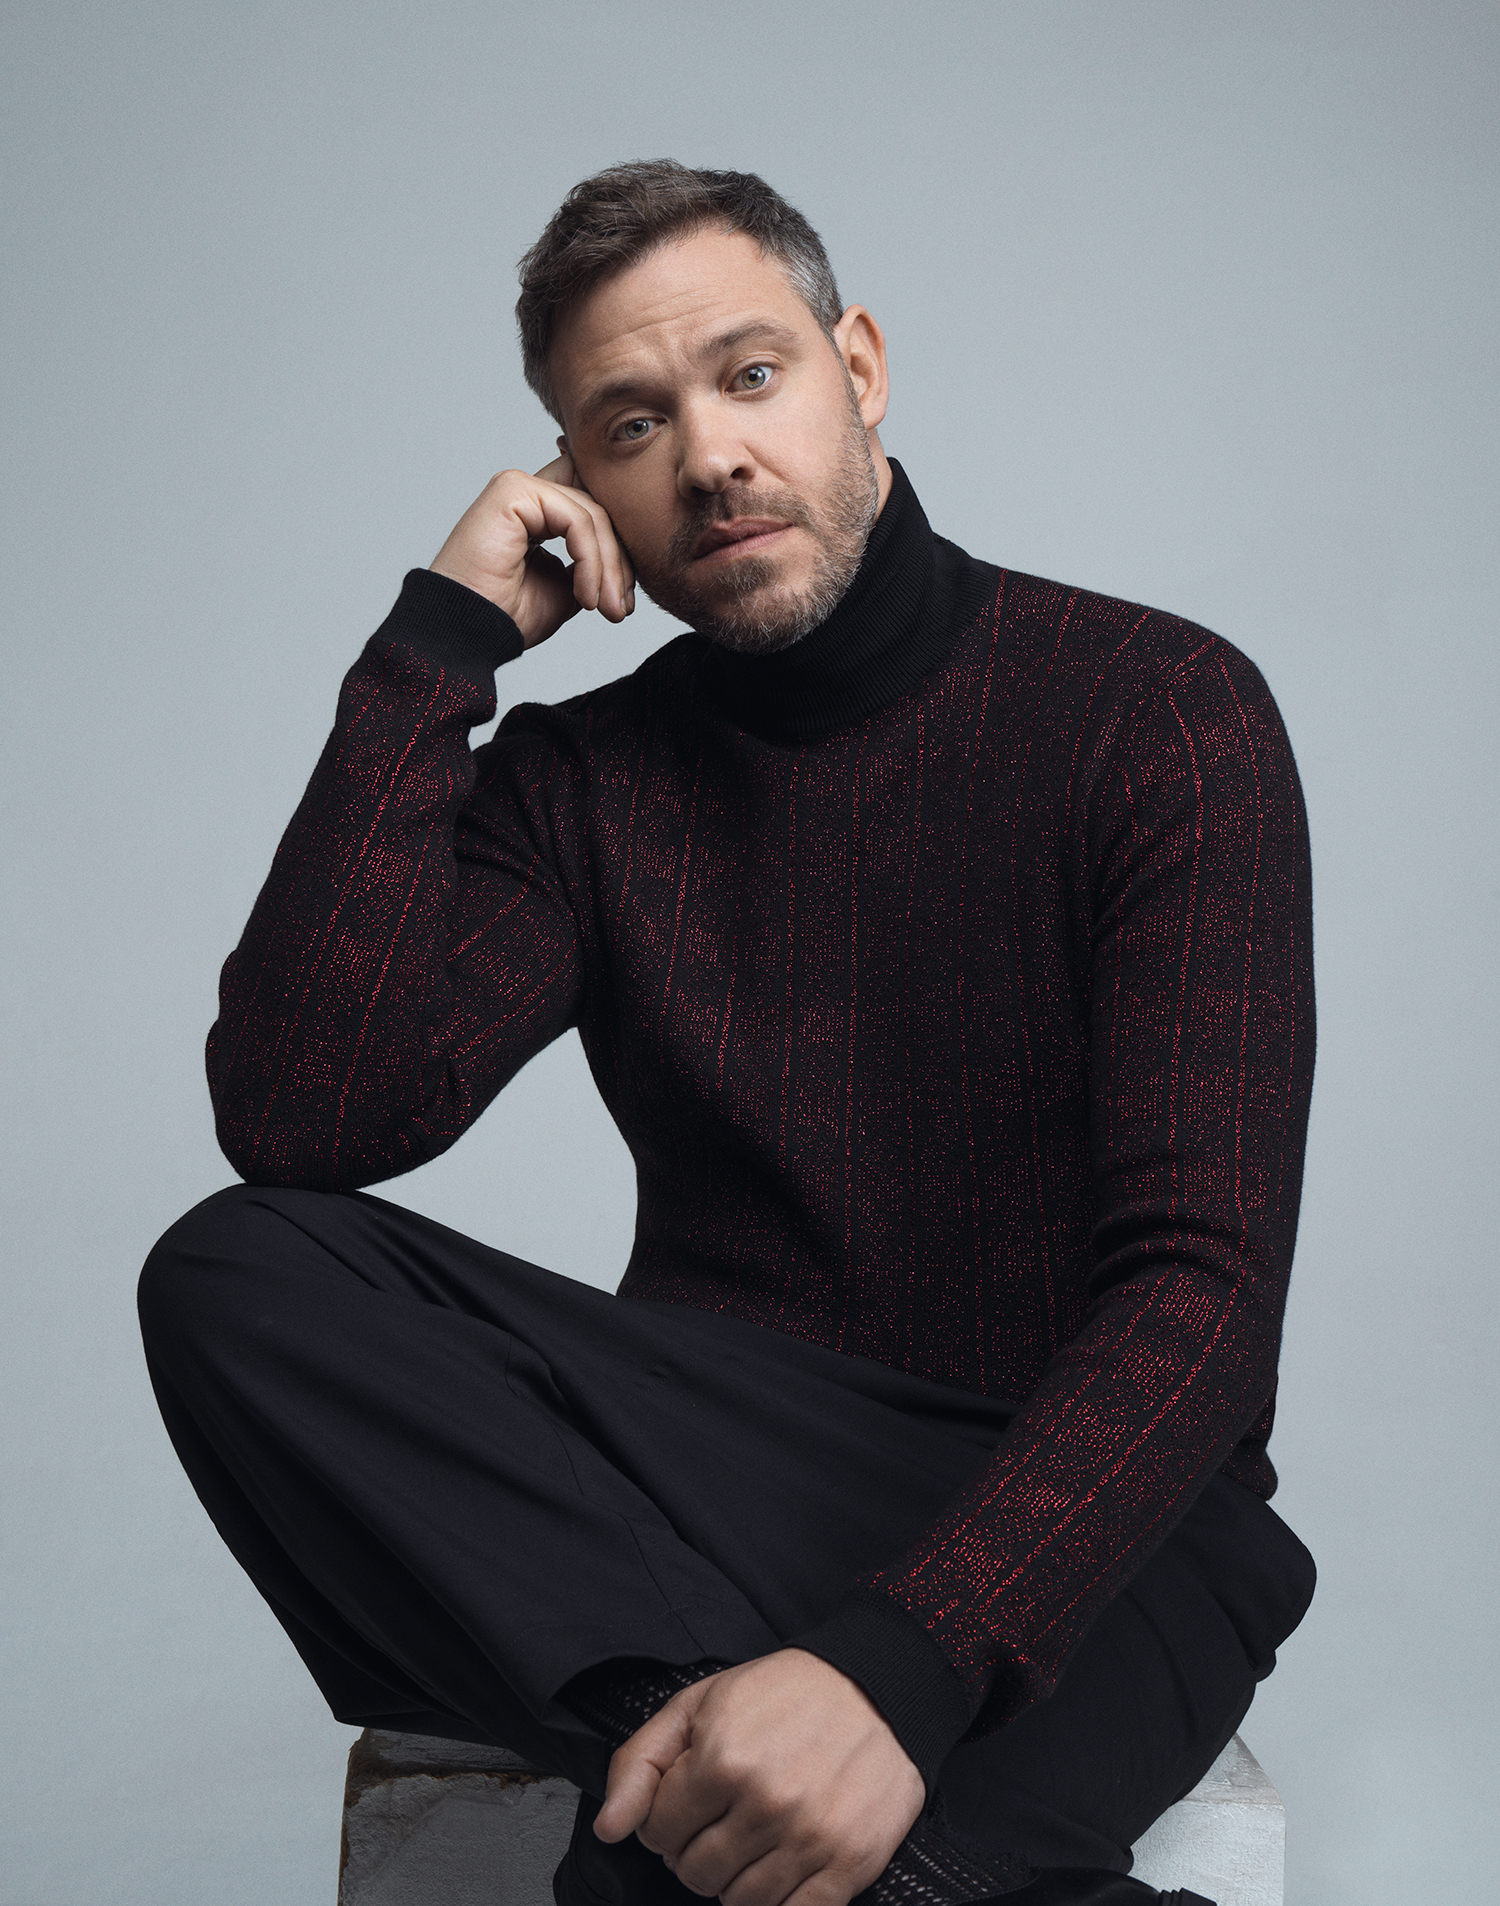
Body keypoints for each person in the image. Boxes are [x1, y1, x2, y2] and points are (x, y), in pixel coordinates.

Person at [138, 160, 1317, 1906]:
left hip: (1112, 1528)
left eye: (750, 375)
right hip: (725, 1481)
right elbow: (306, 1111)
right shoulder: (588, 782)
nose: (707, 456)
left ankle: (727, 1785)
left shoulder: (1158, 710)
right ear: (577, 482)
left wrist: (895, 1668)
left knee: (646, 1883)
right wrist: (435, 651)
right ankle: (702, 1740)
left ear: (861, 365)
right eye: (630, 422)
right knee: (234, 1271)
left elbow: (1199, 1299)